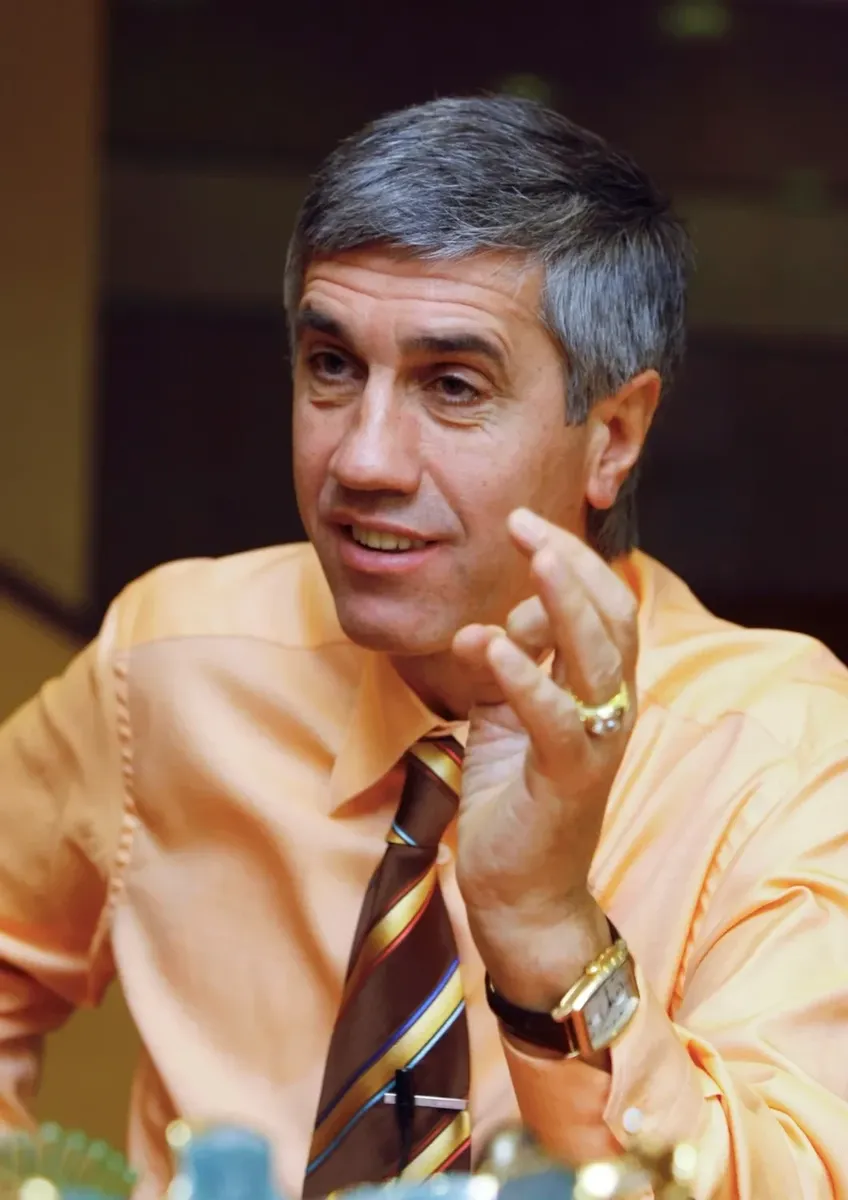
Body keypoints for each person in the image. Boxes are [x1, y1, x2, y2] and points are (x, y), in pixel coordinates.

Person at [1, 95, 847, 1200]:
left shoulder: (780, 752)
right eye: (331, 365)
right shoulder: (172, 663)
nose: (362, 460)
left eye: (453, 387)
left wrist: (546, 929)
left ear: (613, 436)